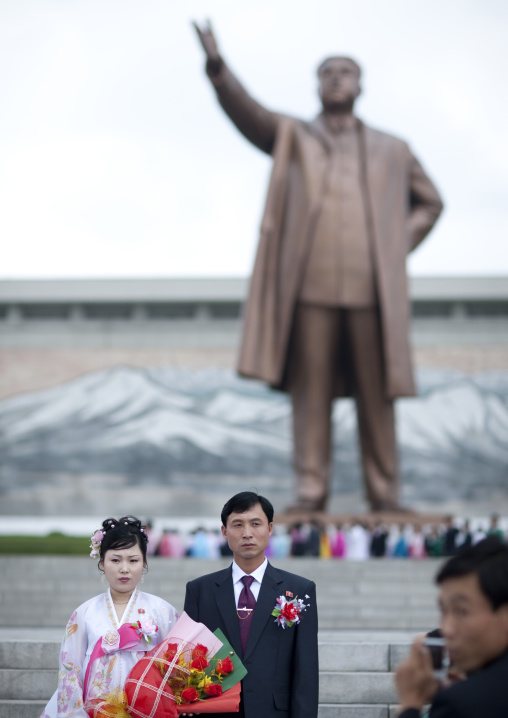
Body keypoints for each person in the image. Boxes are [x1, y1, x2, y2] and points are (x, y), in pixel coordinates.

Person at [193, 22, 443, 513]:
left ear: (360, 84)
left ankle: (385, 494)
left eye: (345, 72)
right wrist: (219, 70)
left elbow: (431, 203)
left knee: (378, 398)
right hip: (308, 291)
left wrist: (394, 247)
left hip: (372, 293)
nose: (336, 79)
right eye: (327, 72)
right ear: (316, 84)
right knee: (310, 396)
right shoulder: (293, 135)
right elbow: (251, 116)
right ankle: (311, 490)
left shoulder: (394, 149)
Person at [183, 491, 319, 718]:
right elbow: (189, 661)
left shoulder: (299, 590)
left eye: (256, 524)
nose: (247, 533)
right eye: (238, 525)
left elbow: (306, 669)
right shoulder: (200, 591)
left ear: (270, 528)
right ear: (224, 532)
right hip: (216, 710)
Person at [41, 516, 178, 718]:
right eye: (115, 560)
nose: (124, 568)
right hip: (97, 711)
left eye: (133, 560)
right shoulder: (84, 613)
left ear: (144, 563)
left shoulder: (163, 611)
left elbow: (176, 665)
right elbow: (70, 670)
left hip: (148, 710)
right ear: (102, 562)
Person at [395, 536, 508, 717]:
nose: (446, 629)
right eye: (444, 610)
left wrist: (410, 704)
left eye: (461, 611)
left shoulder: (462, 703)